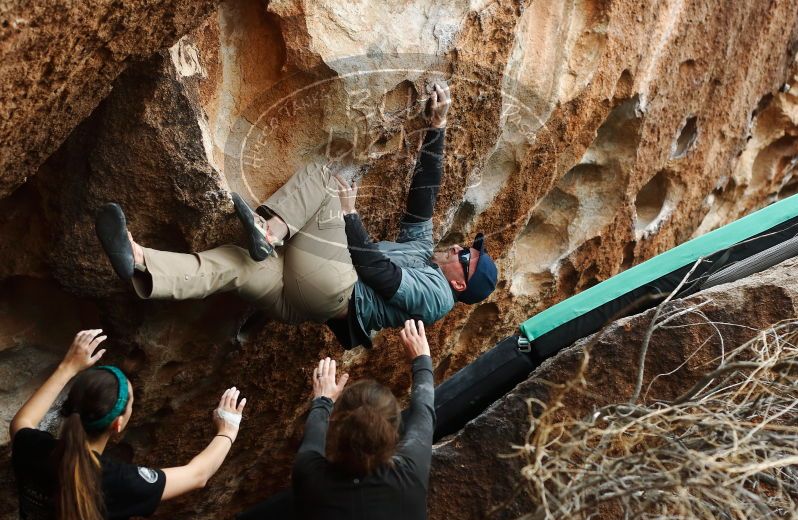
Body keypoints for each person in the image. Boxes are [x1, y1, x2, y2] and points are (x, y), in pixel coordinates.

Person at [95, 82, 497, 348]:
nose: (460, 246)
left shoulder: (438, 297)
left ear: (460, 284)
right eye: (467, 246)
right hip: (299, 302)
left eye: (467, 257)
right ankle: (141, 263)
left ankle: (270, 233)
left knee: (325, 180)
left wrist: (351, 215)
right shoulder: (424, 251)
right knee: (236, 264)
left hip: (338, 291)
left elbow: (381, 275)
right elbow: (424, 195)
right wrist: (437, 127)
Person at [10, 329, 247, 520]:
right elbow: (198, 475)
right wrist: (228, 429)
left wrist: (67, 367)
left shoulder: (34, 450)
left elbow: (22, 421)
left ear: (71, 406)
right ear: (118, 425)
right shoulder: (120, 482)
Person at [292, 319, 435, 520]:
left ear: (336, 423)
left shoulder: (310, 476)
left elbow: (312, 438)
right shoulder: (410, 473)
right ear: (393, 431)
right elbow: (424, 410)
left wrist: (323, 399)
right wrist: (421, 359)